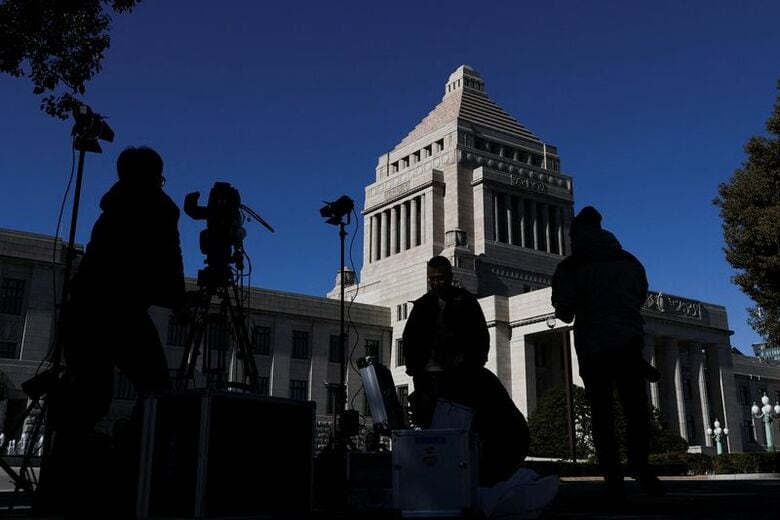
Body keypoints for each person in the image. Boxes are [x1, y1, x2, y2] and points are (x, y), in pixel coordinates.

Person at [35, 146, 186, 517]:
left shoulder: (112, 205)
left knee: (86, 400)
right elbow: (168, 266)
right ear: (155, 175)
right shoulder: (159, 206)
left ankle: (56, 493)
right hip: (119, 311)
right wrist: (180, 300)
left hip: (85, 309)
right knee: (157, 393)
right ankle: (133, 473)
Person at [551, 206, 664, 502]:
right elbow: (640, 295)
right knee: (635, 410)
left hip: (593, 345)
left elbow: (564, 310)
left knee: (602, 415)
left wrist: (569, 308)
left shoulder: (572, 266)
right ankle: (640, 464)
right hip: (628, 343)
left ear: (576, 234)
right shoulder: (629, 261)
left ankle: (613, 478)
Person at [402, 256, 529, 486]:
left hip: (461, 379)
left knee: (466, 430)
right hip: (430, 380)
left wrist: (471, 365)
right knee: (436, 435)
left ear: (450, 277)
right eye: (431, 279)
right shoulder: (422, 306)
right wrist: (416, 371)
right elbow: (410, 342)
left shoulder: (467, 302)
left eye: (440, 278)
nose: (436, 283)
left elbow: (481, 337)